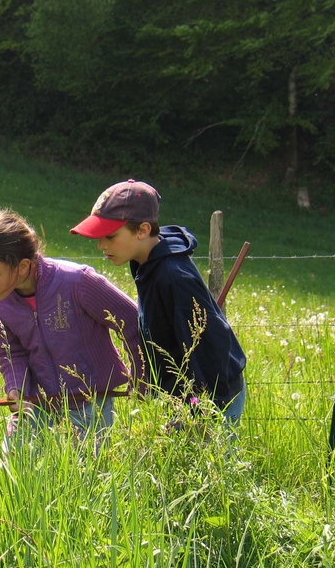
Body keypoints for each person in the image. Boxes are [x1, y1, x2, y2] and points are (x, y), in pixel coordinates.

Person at [70, 179, 247, 428]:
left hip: (214, 399)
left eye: (110, 236)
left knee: (212, 463)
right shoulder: (145, 262)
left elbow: (208, 346)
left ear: (142, 230)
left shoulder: (174, 277)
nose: (101, 245)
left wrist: (200, 413)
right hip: (181, 396)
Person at [0, 209, 144, 447]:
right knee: (16, 462)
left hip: (90, 401)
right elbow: (11, 352)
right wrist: (16, 388)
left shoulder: (77, 282)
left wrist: (141, 377)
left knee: (85, 469)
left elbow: (131, 320)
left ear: (24, 266)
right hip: (36, 401)